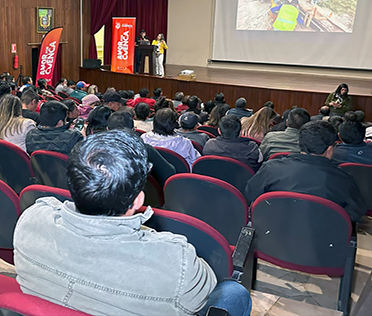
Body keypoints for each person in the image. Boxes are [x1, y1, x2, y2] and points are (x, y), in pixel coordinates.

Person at [13, 129, 252, 316]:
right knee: (233, 292)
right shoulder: (176, 258)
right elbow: (205, 294)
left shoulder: (32, 218)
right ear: (139, 199)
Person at [245, 120, 366, 222]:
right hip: (319, 245)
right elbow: (355, 214)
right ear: (330, 149)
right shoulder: (343, 179)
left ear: (300, 143)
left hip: (271, 240)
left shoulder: (270, 168)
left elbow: (250, 193)